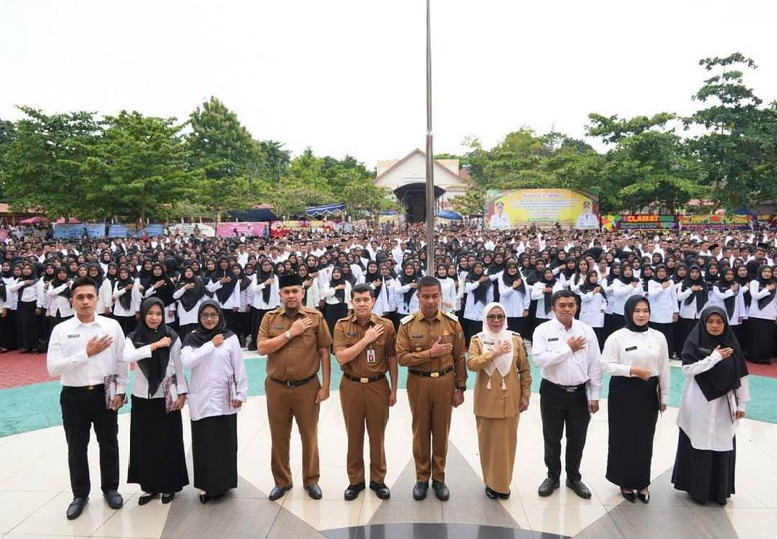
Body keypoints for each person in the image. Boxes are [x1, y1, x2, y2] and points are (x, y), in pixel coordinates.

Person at [46, 277, 128, 520]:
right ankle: (80, 495)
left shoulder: (112, 326)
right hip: (74, 395)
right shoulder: (61, 330)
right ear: (72, 300)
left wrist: (121, 390)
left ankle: (111, 488)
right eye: (80, 297)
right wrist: (86, 353)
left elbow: (122, 361)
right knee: (76, 447)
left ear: (97, 299)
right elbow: (53, 368)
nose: (85, 301)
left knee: (109, 442)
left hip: (105, 393)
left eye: (90, 296)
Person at [258, 273, 332, 501]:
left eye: (295, 291)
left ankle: (311, 480)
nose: (291, 296)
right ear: (280, 294)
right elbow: (262, 348)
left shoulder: (315, 317)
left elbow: (324, 352)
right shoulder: (269, 318)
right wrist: (291, 333)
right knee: (279, 435)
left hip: (307, 386)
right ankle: (282, 481)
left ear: (302, 293)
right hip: (277, 387)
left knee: (309, 435)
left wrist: (326, 386)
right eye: (286, 292)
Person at [396, 275, 467, 501]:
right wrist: (430, 354)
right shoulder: (407, 325)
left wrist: (460, 388)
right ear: (418, 297)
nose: (430, 301)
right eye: (425, 296)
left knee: (441, 431)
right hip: (418, 382)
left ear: (441, 296)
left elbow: (460, 357)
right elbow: (402, 358)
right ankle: (421, 478)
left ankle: (439, 478)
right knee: (420, 431)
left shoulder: (452, 323)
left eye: (435, 296)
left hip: (445, 382)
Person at [671, 306, 750, 505]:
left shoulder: (732, 344)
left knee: (721, 442)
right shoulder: (694, 342)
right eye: (711, 321)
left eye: (719, 322)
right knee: (698, 441)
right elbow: (688, 369)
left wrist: (742, 404)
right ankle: (696, 489)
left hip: (724, 403)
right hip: (698, 401)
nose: (715, 326)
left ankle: (718, 490)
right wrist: (714, 358)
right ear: (704, 323)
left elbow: (741, 375)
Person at [532, 290, 602, 499]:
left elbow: (595, 364)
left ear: (576, 307)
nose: (567, 309)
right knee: (552, 436)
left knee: (577, 438)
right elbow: (539, 359)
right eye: (562, 305)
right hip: (552, 391)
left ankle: (574, 477)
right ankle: (552, 477)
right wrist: (568, 348)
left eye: (571, 305)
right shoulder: (543, 330)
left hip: (580, 393)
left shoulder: (586, 331)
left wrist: (595, 394)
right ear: (553, 308)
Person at [600, 296, 670, 503]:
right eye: (637, 310)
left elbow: (664, 367)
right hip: (623, 391)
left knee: (644, 438)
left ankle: (642, 482)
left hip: (648, 392)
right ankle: (624, 481)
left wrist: (664, 396)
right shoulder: (617, 337)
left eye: (645, 310)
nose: (641, 315)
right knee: (623, 437)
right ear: (629, 312)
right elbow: (605, 364)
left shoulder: (658, 337)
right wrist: (632, 370)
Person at [332, 283, 398, 501]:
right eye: (357, 300)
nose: (361, 304)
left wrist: (394, 389)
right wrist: (366, 339)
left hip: (378, 385)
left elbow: (392, 358)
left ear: (373, 301)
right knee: (354, 435)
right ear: (351, 302)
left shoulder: (386, 326)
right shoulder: (341, 326)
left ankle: (378, 480)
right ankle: (356, 480)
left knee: (377, 436)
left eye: (366, 300)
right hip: (350, 385)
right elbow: (341, 357)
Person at [122, 297, 189, 505]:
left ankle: (170, 485)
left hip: (168, 395)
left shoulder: (172, 336)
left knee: (169, 441)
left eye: (158, 314)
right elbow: (127, 357)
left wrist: (182, 393)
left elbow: (179, 367)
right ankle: (149, 486)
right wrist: (154, 346)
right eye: (150, 313)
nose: (154, 317)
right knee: (145, 442)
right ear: (143, 314)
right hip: (142, 397)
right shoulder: (133, 337)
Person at [181, 299, 247, 503]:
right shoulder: (192, 338)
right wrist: (211, 344)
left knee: (225, 441)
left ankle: (225, 483)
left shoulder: (230, 338)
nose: (209, 319)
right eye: (205, 315)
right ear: (199, 317)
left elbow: (239, 366)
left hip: (226, 397)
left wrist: (241, 393)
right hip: (202, 399)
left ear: (219, 316)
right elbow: (188, 361)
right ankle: (206, 486)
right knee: (204, 442)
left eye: (213, 315)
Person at [467, 302, 531, 500]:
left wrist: (525, 394)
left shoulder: (515, 339)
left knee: (507, 444)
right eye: (491, 316)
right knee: (487, 443)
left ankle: (503, 484)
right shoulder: (478, 340)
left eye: (500, 316)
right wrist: (494, 352)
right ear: (485, 318)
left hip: (510, 400)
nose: (496, 320)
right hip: (486, 401)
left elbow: (525, 369)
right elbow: (472, 364)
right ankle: (491, 482)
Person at [746, 265, 776, 364]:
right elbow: (755, 296)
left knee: (767, 338)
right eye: (765, 271)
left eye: (769, 272)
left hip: (770, 315)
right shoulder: (754, 282)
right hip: (756, 314)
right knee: (756, 338)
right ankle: (754, 357)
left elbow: (775, 301)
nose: (767, 273)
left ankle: (765, 358)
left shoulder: (774, 284)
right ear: (760, 272)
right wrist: (767, 289)